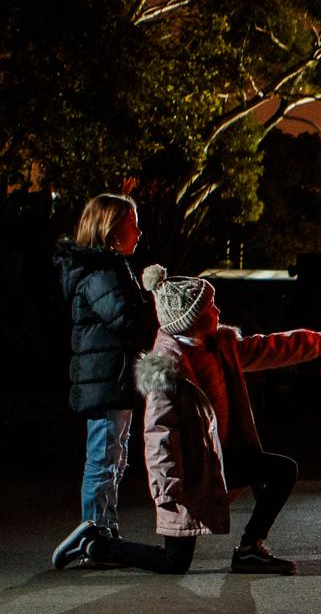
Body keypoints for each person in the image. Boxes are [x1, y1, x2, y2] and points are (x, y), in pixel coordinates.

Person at [52, 266, 321, 574]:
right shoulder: (167, 370)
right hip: (189, 477)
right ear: (193, 319)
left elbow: (262, 348)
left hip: (218, 461)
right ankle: (95, 543)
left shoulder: (218, 345)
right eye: (210, 307)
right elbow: (159, 434)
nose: (217, 309)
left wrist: (316, 342)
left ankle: (249, 548)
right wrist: (167, 489)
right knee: (174, 563)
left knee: (283, 470)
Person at [50, 193, 158, 566]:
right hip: (105, 379)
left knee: (113, 455)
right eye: (133, 223)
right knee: (104, 458)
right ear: (111, 230)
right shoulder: (101, 271)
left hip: (109, 378)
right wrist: (153, 304)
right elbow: (126, 320)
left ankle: (104, 531)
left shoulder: (106, 267)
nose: (140, 231)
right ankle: (93, 534)